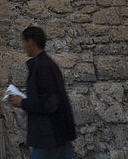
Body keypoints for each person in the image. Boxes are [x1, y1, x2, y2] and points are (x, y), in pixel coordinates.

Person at [9, 26, 77, 159]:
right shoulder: (46, 64)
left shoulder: (42, 67)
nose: (23, 46)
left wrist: (23, 102)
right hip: (58, 132)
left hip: (49, 134)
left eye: (24, 42)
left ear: (31, 42)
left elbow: (49, 103)